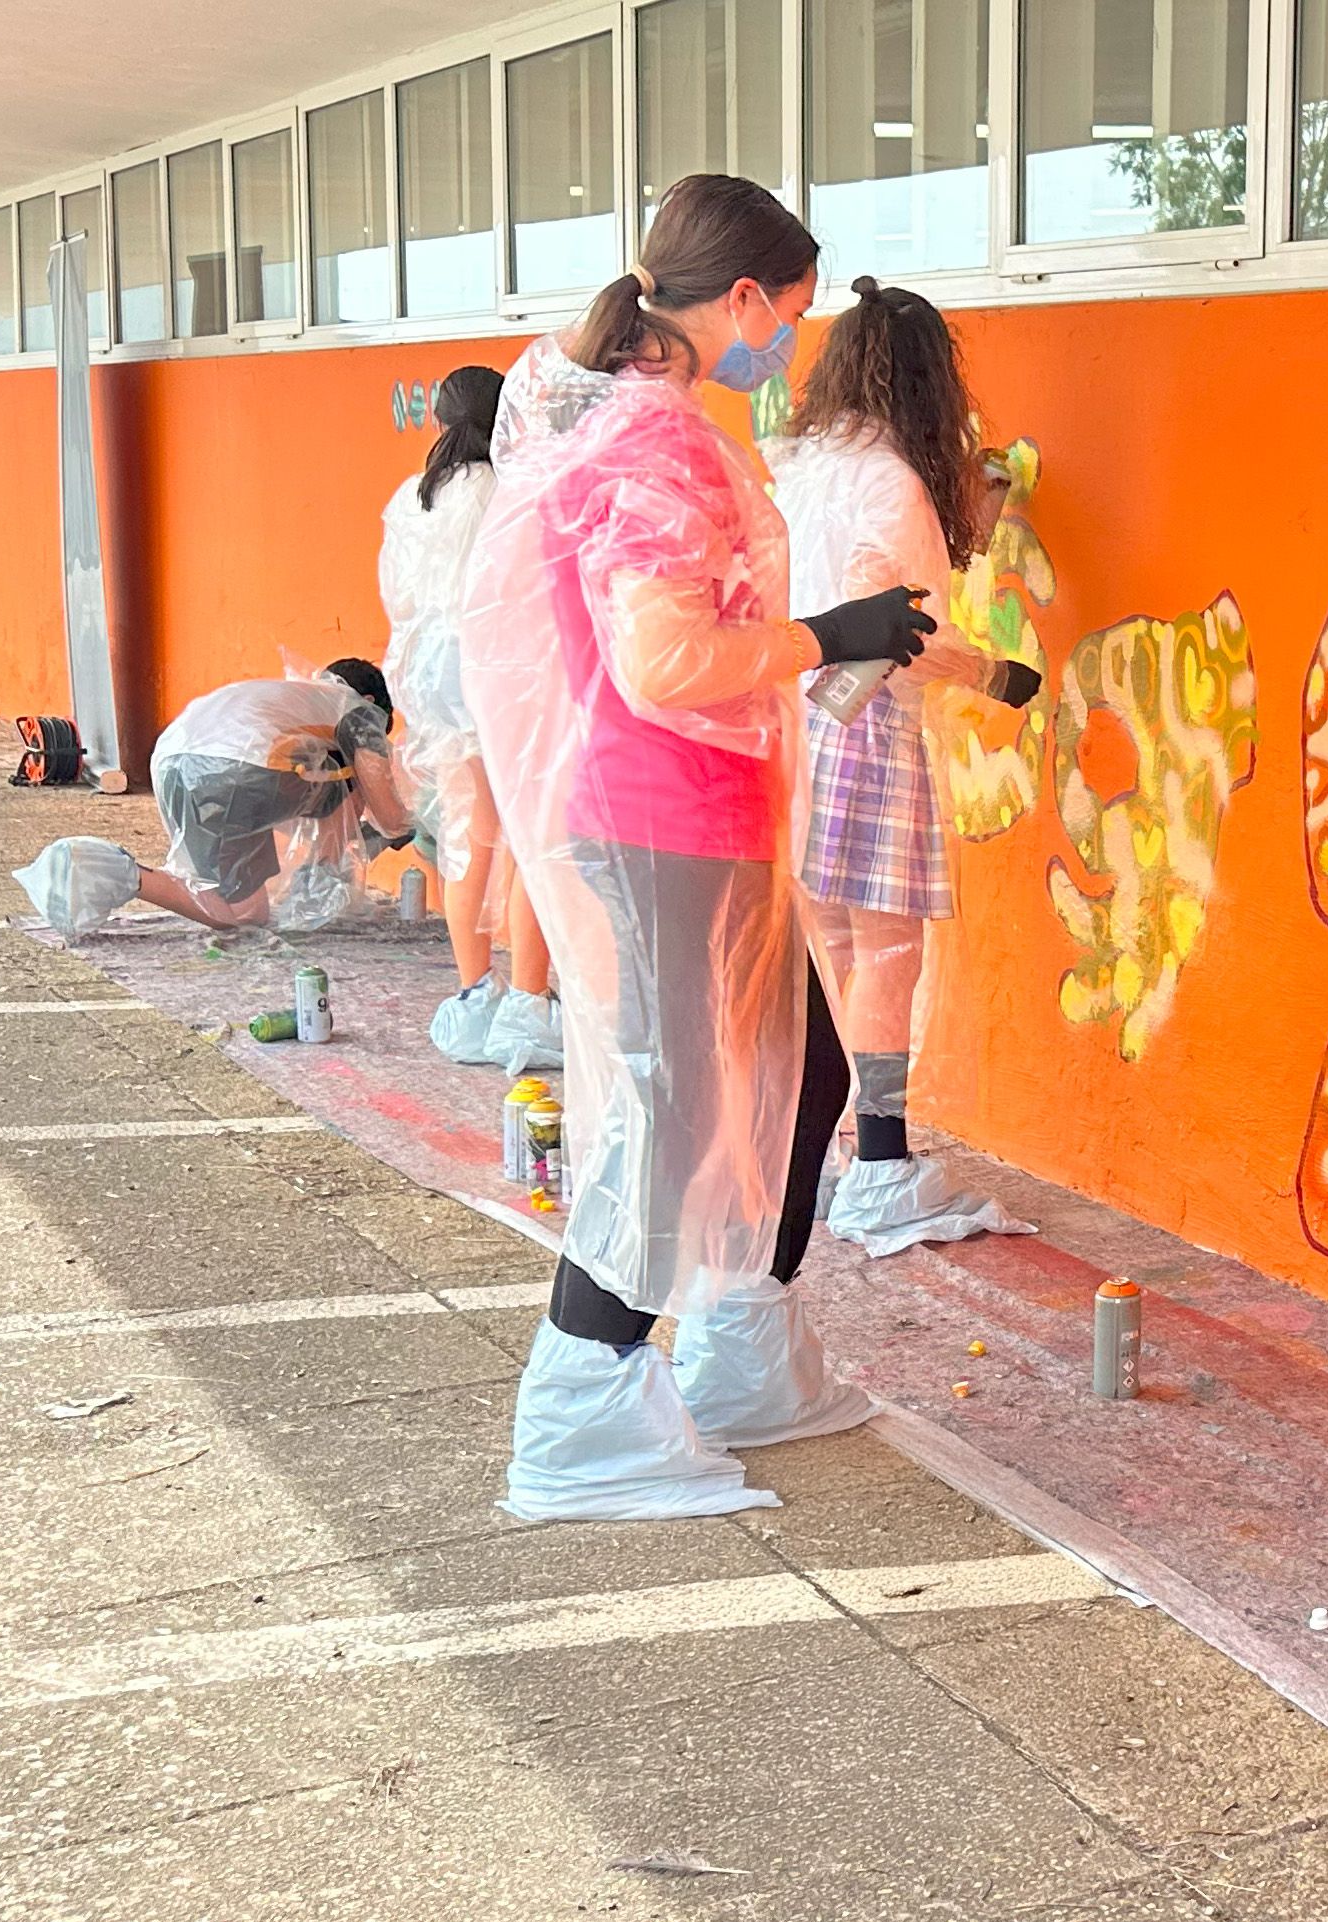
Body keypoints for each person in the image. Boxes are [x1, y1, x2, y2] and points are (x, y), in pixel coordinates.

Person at [458, 175, 943, 1521]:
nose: (785, 343)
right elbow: (665, 658)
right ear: (739, 299)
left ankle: (744, 1343)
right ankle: (582, 1408)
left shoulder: (635, 420)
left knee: (805, 1065)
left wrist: (832, 636)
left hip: (696, 818)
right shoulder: (655, 445)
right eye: (785, 314)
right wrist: (827, 637)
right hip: (657, 813)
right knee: (668, 1115)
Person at [767, 279, 1029, 1255]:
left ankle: (860, 1150)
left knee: (836, 950)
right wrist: (1001, 675)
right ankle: (881, 1162)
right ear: (926, 380)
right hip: (860, 725)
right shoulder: (892, 483)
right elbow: (896, 635)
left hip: (784, 725)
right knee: (885, 953)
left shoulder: (796, 464)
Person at [380, 363, 562, 1075]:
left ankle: (473, 990)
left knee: (466, 840)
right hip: (504, 670)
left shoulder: (413, 498)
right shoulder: (512, 490)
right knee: (527, 840)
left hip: (433, 674)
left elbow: (397, 593)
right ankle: (529, 999)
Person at [12, 661, 411, 939]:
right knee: (349, 779)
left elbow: (294, 813)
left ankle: (105, 871)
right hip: (240, 772)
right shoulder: (356, 710)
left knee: (247, 913)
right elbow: (389, 813)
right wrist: (417, 822)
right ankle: (320, 881)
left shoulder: (292, 697)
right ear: (373, 702)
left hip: (172, 764)